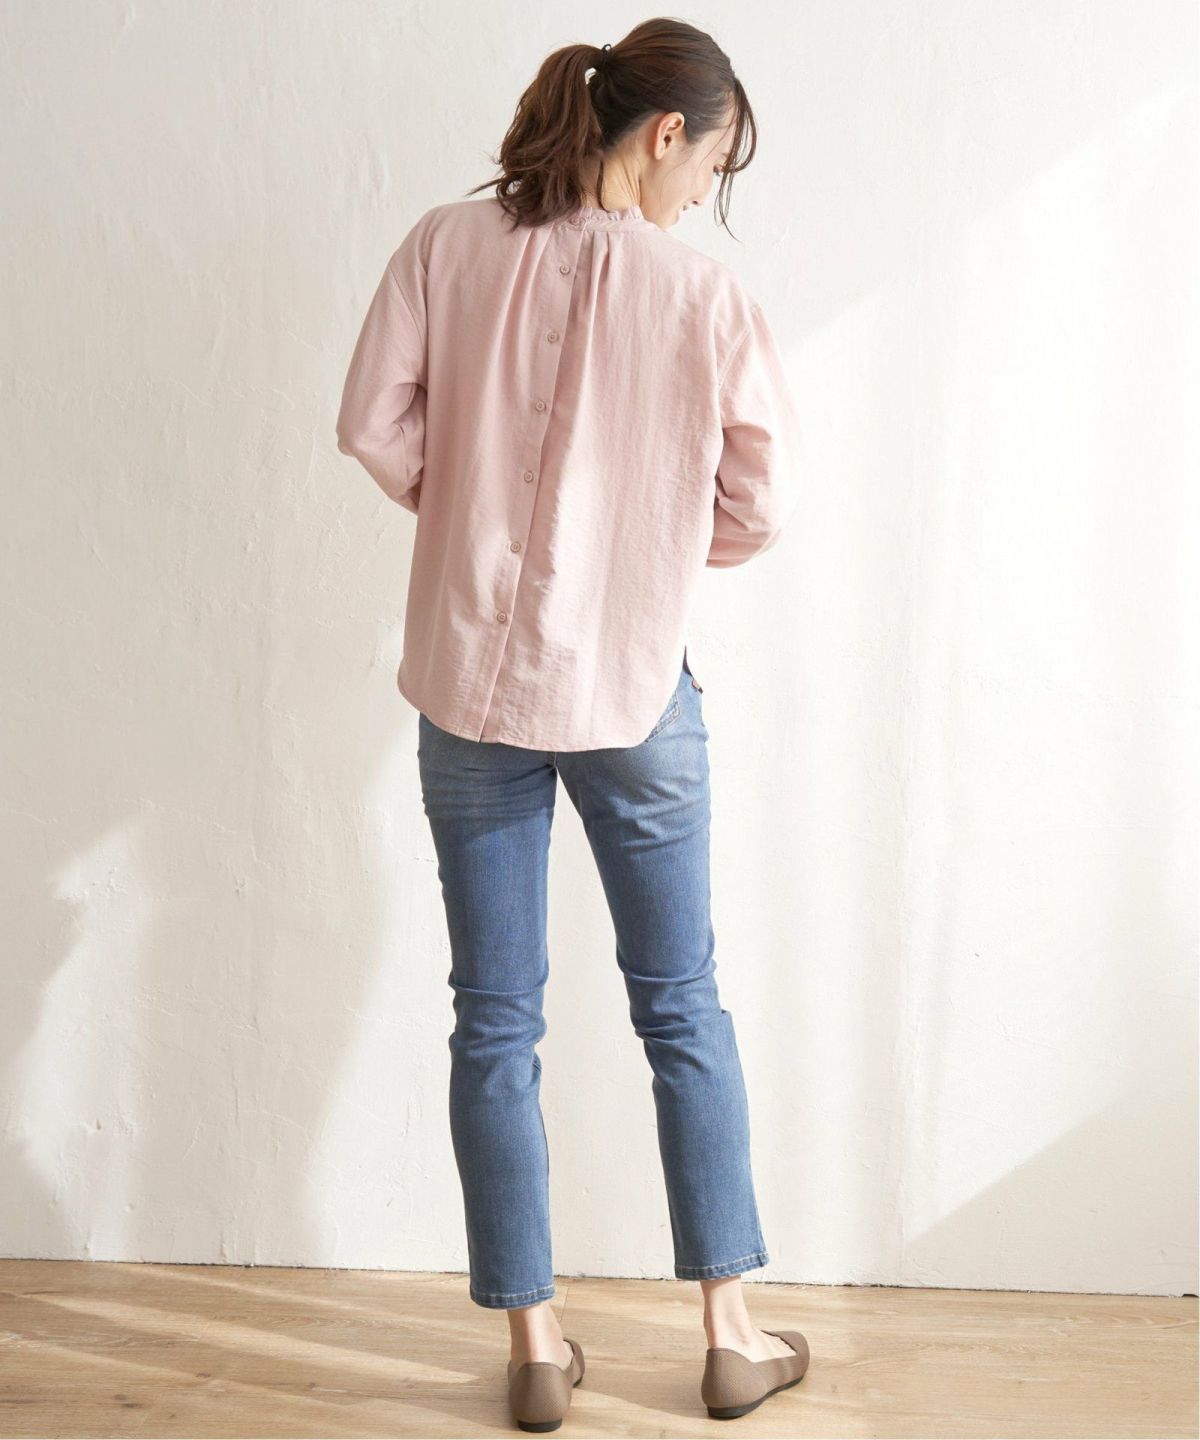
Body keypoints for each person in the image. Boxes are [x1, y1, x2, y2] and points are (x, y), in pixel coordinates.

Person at [336, 16, 810, 1430]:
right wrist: (648, 559)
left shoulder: (446, 244)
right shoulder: (702, 297)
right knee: (683, 1003)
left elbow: (371, 423)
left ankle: (535, 1348)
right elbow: (763, 501)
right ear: (664, 134)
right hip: (632, 691)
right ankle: (730, 1335)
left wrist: (462, 507)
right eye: (710, 164)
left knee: (494, 1020)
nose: (703, 194)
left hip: (468, 691)